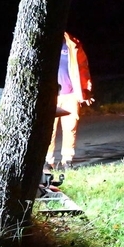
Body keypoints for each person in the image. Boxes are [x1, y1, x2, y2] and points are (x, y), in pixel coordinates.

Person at [46, 31, 94, 170]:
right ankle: (47, 161)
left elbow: (83, 68)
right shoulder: (45, 43)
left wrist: (86, 90)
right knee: (49, 129)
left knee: (70, 128)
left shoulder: (73, 44)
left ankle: (67, 160)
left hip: (71, 94)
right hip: (51, 96)